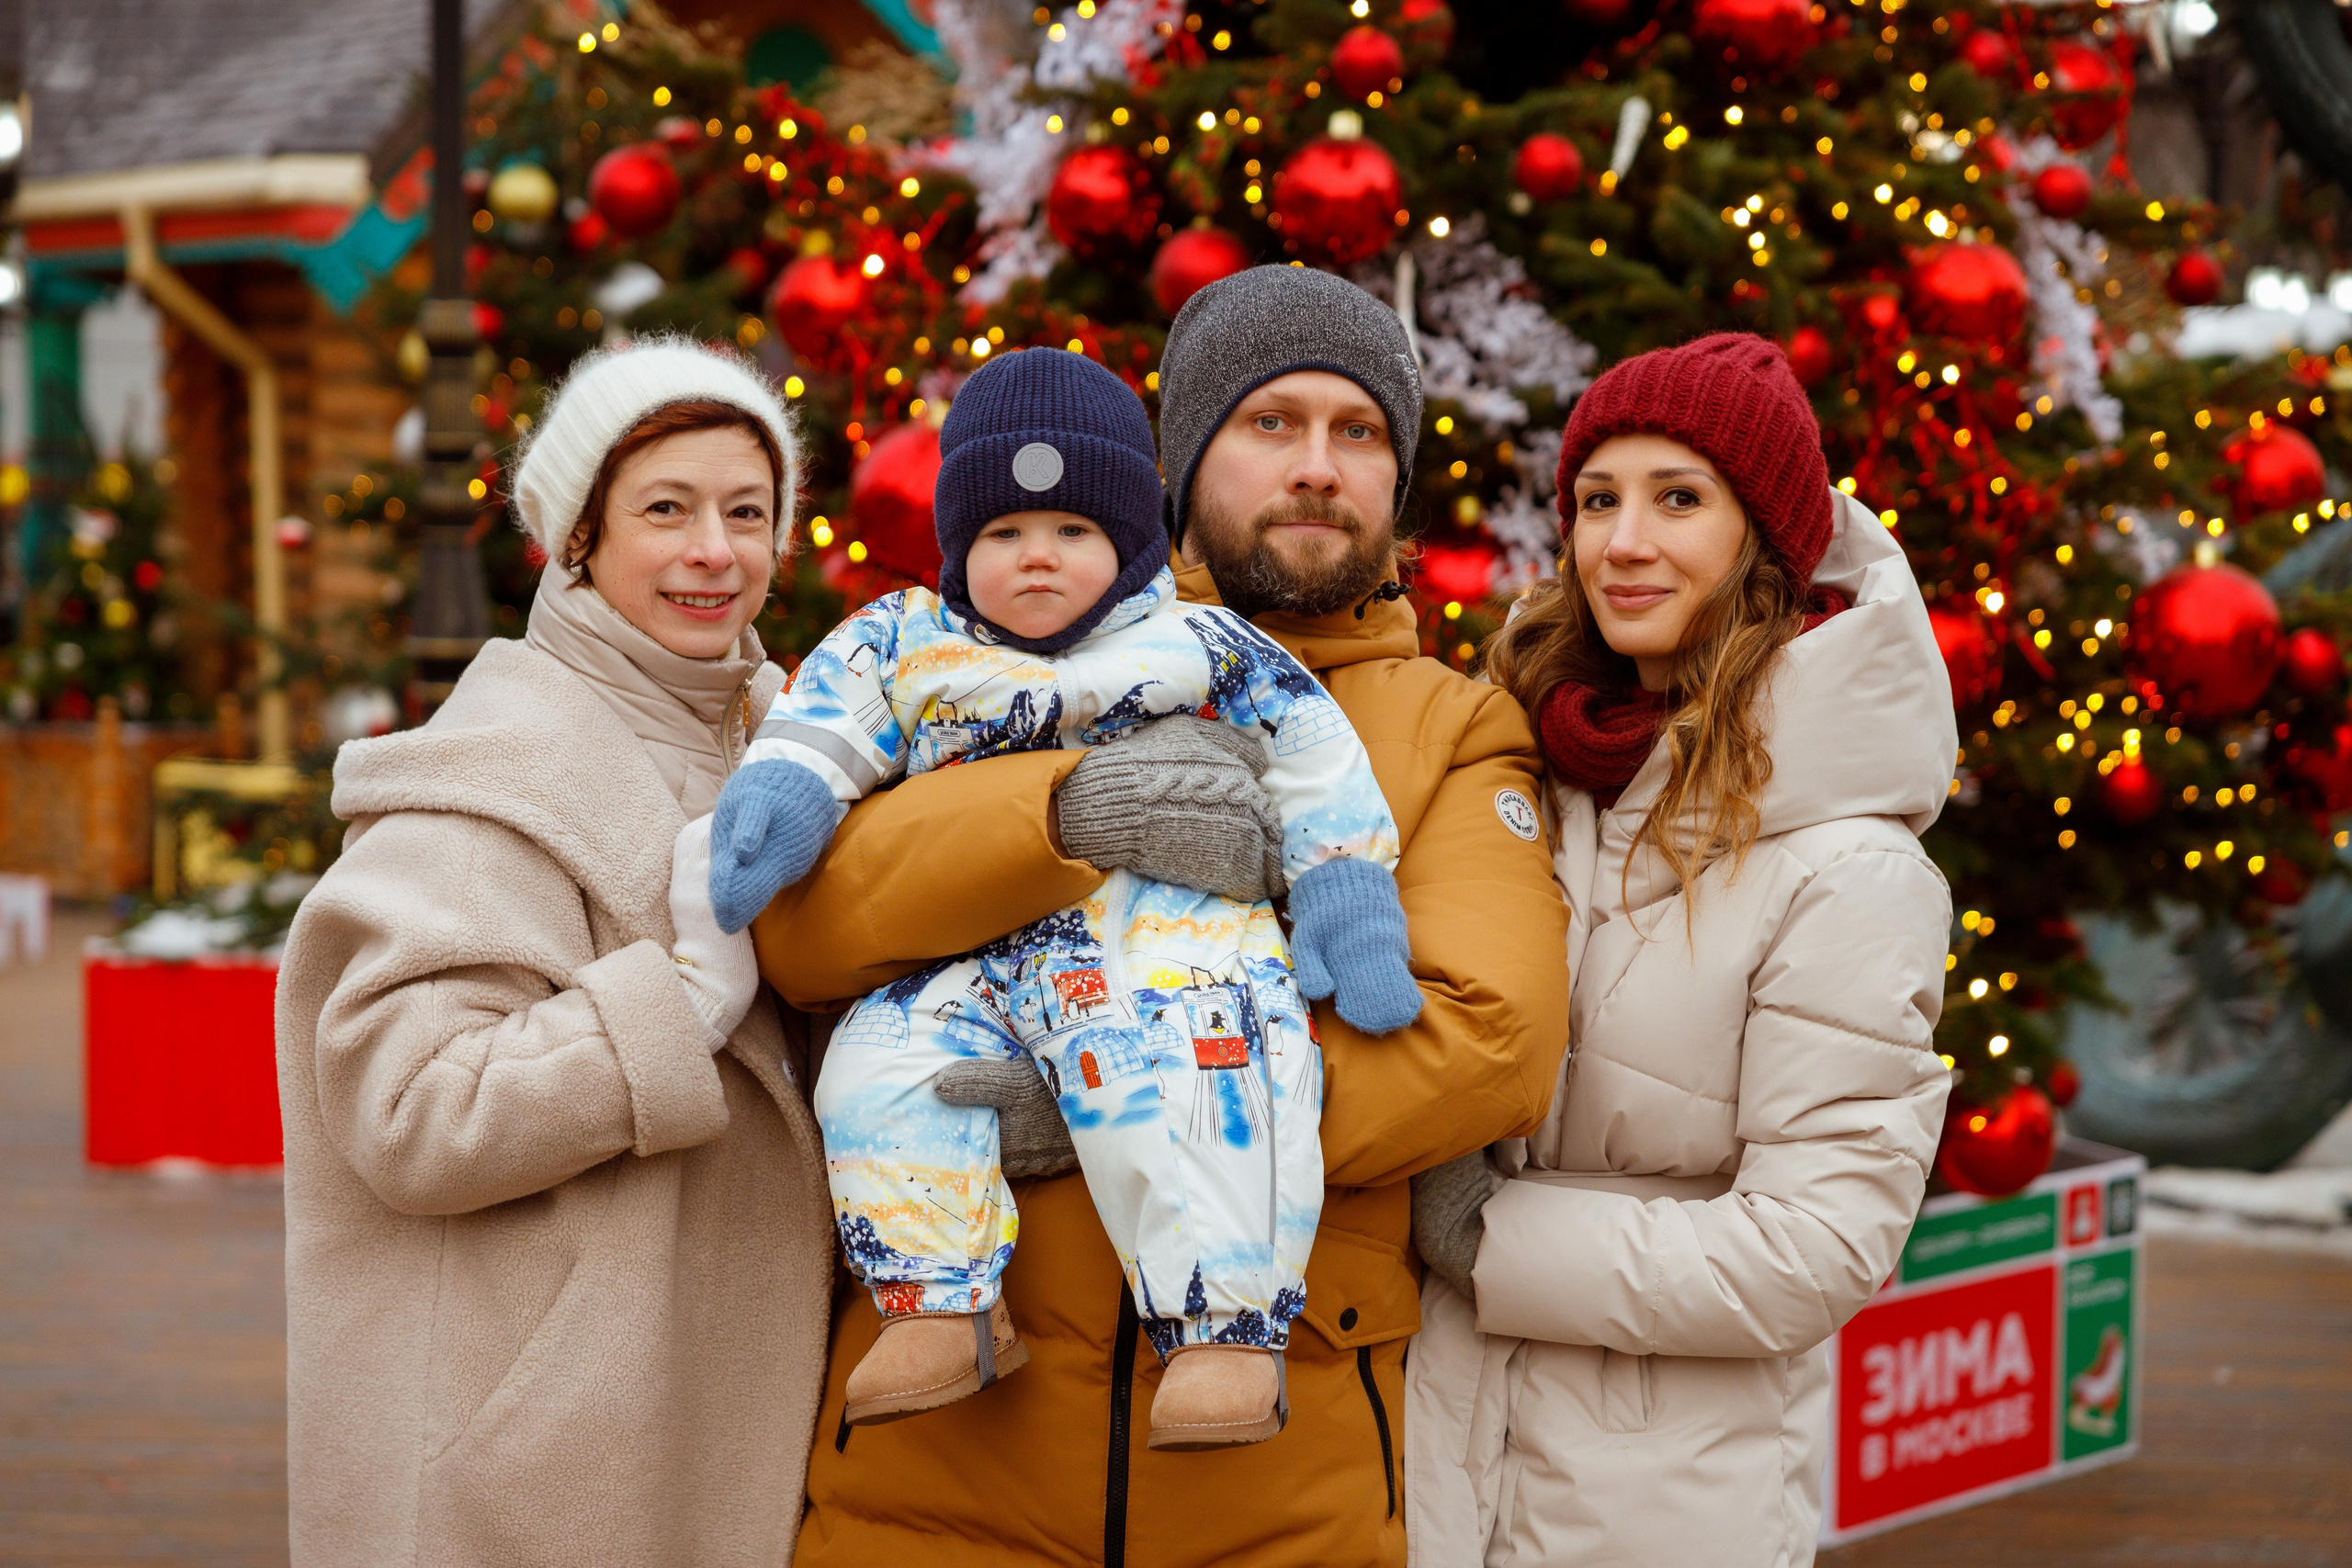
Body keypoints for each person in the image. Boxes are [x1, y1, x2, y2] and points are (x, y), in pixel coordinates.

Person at [751, 265, 1571, 1568]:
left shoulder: (1453, 728)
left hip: (1276, 1482)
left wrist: (1103, 1088)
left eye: (1358, 432)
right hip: (946, 1459)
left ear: (1397, 482)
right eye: (1271, 422)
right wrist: (1062, 815)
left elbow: (1482, 1048)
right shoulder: (988, 655)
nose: (1317, 465)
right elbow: (803, 939)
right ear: (1181, 464)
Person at [709, 346, 1419, 1448]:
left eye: (1072, 533)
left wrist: (1345, 895)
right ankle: (943, 1304)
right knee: (884, 1064)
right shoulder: (910, 639)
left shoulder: (1197, 639)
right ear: (957, 547)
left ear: (1132, 543)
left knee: (1210, 1058)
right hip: (977, 949)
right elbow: (828, 717)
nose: (1036, 560)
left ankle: (1227, 1331)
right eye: (1003, 536)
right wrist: (785, 793)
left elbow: (1313, 755)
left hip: (1166, 934)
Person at [276, 338, 833, 1566]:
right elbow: (413, 1108)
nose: (715, 551)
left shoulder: (795, 749)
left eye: (749, 511)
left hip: (715, 1427)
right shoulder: (491, 778)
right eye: (665, 509)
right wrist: (672, 1010)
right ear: (576, 535)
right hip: (550, 1468)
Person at [1403, 333, 1957, 1568]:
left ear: (1764, 539)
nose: (1625, 541)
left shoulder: (1848, 867)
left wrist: (1490, 1239)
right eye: (1598, 500)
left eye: (1679, 498)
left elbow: (1813, 1249)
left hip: (1660, 1503)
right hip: (1437, 1456)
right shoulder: (1527, 771)